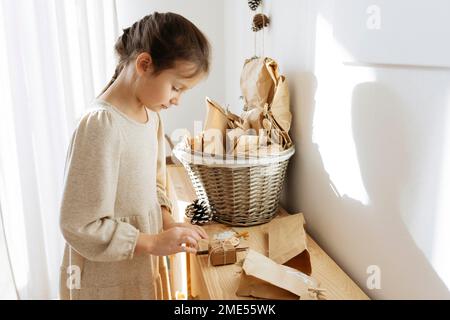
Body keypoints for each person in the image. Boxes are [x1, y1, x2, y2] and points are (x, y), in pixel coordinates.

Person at [59, 12, 210, 300]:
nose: (177, 99)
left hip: (141, 269)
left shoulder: (151, 117)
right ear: (144, 64)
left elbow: (156, 184)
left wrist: (167, 223)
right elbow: (77, 225)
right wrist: (151, 242)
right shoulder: (101, 125)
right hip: (105, 281)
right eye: (176, 87)